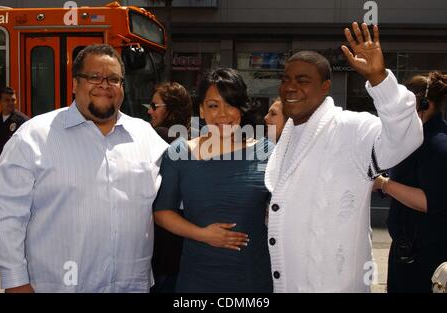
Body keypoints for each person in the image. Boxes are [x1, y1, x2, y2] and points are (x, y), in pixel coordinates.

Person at [265, 22, 423, 292]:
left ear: (326, 86)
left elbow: (405, 138)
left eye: (302, 81)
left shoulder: (352, 128)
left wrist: (379, 79)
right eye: (285, 79)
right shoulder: (286, 136)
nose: (290, 88)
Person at [0, 44, 168, 292]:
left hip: (130, 285)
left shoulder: (145, 136)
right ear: (75, 83)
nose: (104, 85)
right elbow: (6, 214)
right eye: (94, 77)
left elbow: (179, 190)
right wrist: (15, 282)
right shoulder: (33, 137)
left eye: (113, 79)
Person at [153, 68, 273, 292]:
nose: (223, 114)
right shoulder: (180, 152)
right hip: (197, 280)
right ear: (201, 109)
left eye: (230, 104)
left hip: (253, 280)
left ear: (241, 107)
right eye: (213, 105)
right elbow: (162, 212)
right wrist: (203, 235)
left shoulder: (268, 152)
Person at [373, 71, 447, 293]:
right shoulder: (418, 139)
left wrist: (383, 184)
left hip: (426, 258)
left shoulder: (437, 145)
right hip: (408, 251)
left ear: (423, 104)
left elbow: (430, 201)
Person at [146, 82, 193, 293]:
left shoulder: (161, 134)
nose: (149, 110)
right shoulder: (188, 137)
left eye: (155, 106)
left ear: (171, 109)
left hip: (161, 237)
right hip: (181, 236)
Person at [0, 87, 29, 161]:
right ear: (0, 101)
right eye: (7, 100)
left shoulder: (23, 121)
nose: (11, 103)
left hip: (12, 164)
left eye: (13, 100)